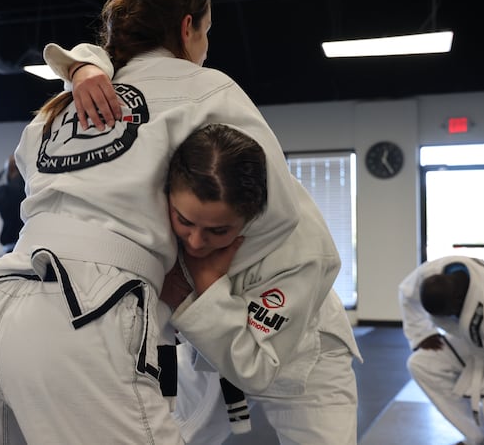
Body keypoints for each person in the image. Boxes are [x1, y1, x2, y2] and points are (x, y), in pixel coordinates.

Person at [0, 0, 302, 443]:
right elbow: (275, 214)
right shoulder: (209, 89)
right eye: (207, 32)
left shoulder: (63, 104)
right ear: (188, 27)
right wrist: (204, 288)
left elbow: (34, 175)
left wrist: (84, 67)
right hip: (88, 314)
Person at [155, 123, 361, 444]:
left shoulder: (303, 252)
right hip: (208, 342)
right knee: (169, 433)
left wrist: (205, 283)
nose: (195, 242)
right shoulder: (160, 187)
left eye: (218, 231)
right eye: (185, 222)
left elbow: (257, 368)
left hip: (302, 350)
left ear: (251, 217)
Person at [399, 255, 484, 445]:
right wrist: (422, 334)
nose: (443, 321)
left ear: (458, 300)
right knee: (421, 364)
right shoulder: (431, 273)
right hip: (472, 342)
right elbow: (406, 294)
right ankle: (476, 437)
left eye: (446, 314)